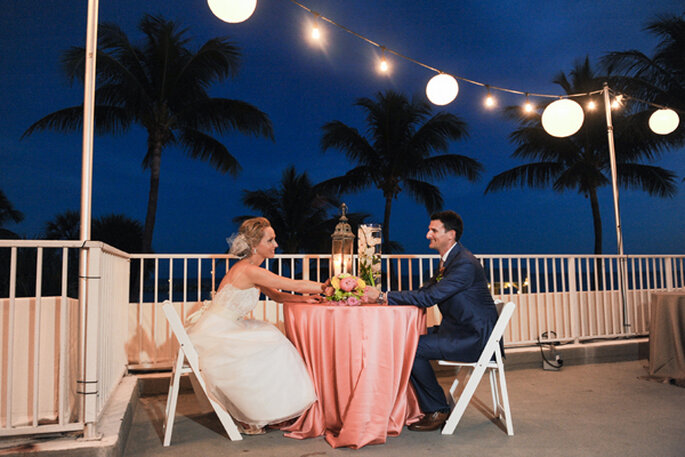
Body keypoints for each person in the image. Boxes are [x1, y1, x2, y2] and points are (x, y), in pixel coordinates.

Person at [187, 217, 324, 435]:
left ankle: (264, 410)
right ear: (254, 246)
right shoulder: (250, 270)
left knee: (272, 339)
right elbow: (293, 284)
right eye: (270, 240)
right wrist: (326, 287)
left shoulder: (250, 268)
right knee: (273, 343)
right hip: (216, 331)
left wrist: (304, 300)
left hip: (225, 326)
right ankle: (257, 413)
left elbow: (278, 296)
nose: (276, 245)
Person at [364, 210, 498, 431]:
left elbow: (428, 298)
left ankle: (437, 409)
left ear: (451, 235)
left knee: (411, 347)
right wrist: (387, 296)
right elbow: (425, 290)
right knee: (408, 340)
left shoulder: (463, 263)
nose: (428, 235)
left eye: (433, 230)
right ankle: (412, 403)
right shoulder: (450, 261)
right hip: (460, 330)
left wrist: (381, 296)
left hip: (473, 338)